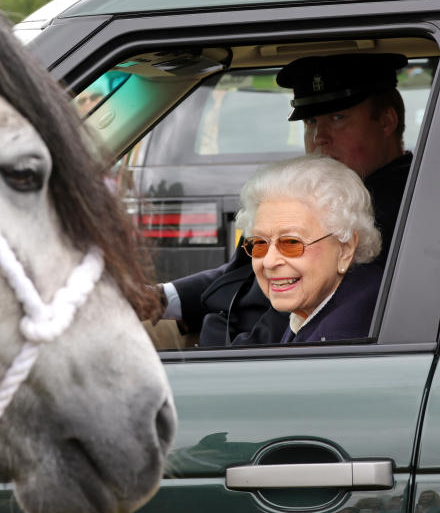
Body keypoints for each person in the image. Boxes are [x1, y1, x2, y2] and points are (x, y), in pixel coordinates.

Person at [157, 52, 412, 346]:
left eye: (338, 118)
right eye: (311, 122)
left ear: (387, 122)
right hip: (215, 327)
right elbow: (237, 271)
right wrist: (163, 297)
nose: (319, 137)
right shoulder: (299, 197)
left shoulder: (395, 214)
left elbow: (301, 315)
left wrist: (218, 357)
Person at [235, 155, 382, 344]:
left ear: (345, 249)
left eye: (291, 243)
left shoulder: (343, 339)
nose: (269, 261)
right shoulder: (322, 306)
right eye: (260, 244)